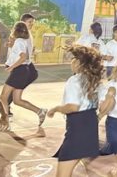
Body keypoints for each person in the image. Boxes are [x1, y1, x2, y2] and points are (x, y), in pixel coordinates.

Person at [48, 45, 104, 177]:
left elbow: (73, 107)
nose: (71, 62)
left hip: (78, 127)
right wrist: (100, 115)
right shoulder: (94, 80)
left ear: (79, 62)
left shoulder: (74, 80)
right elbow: (106, 102)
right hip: (90, 124)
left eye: (73, 58)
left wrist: (56, 109)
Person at [0, 21, 47, 131]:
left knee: (3, 97)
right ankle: (40, 111)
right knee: (17, 100)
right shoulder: (23, 41)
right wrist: (11, 46)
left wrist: (11, 67)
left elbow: (23, 57)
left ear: (15, 30)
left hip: (19, 71)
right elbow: (21, 54)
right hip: (23, 71)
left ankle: (5, 122)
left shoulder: (19, 41)